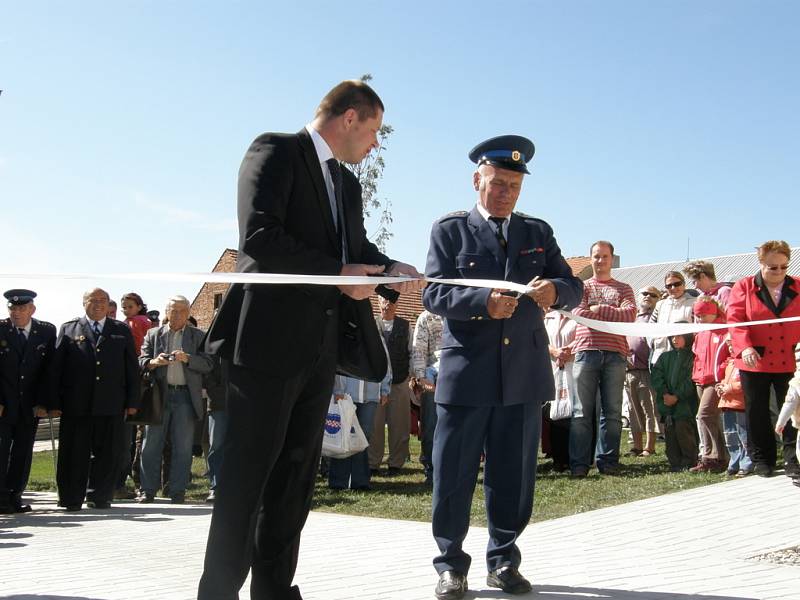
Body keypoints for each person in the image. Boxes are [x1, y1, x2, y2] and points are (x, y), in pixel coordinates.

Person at [197, 80, 424, 600]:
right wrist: (336, 273)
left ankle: (274, 591)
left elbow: (355, 248)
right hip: (264, 346)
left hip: (319, 352)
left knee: (295, 482)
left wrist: (391, 271)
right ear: (349, 118)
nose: (375, 145)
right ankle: (217, 593)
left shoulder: (346, 185)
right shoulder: (275, 150)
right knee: (245, 482)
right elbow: (259, 236)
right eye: (374, 132)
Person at [423, 135, 583, 600]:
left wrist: (556, 291)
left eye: (514, 185)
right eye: (498, 183)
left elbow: (572, 286)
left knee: (513, 477)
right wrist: (480, 304)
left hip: (523, 374)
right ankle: (451, 564)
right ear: (478, 179)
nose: (506, 192)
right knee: (452, 475)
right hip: (468, 373)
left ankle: (503, 560)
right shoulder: (450, 230)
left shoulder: (537, 232)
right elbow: (434, 292)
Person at [51, 288, 139, 511]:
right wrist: (53, 402)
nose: (99, 304)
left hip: (110, 403)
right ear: (84, 303)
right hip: (76, 404)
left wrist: (132, 402)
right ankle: (71, 497)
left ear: (109, 305)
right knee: (74, 453)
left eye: (103, 301)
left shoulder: (120, 330)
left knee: (108, 453)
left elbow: (131, 368)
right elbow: (56, 369)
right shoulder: (69, 329)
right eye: (94, 300)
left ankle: (100, 495)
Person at [727, 240, 800, 478]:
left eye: (783, 266)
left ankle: (793, 460)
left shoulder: (798, 286)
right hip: (754, 359)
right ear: (761, 263)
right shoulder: (744, 286)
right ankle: (763, 459)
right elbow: (735, 320)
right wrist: (745, 347)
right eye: (772, 267)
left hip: (789, 359)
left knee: (792, 411)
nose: (778, 272)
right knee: (757, 411)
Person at [570, 241, 636, 477]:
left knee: (612, 412)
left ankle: (608, 461)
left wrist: (598, 309)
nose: (600, 261)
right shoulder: (581, 286)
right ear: (591, 259)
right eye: (596, 256)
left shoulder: (625, 288)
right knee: (580, 412)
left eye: (605, 256)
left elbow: (629, 316)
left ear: (612, 258)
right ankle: (579, 464)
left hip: (616, 354)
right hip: (586, 350)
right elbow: (578, 313)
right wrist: (610, 312)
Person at [138, 295, 213, 504]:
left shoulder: (198, 336)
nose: (177, 314)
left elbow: (208, 364)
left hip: (185, 397)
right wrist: (154, 362)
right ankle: (148, 490)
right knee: (151, 444)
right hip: (158, 396)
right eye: (173, 310)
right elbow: (141, 361)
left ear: (189, 313)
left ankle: (178, 490)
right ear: (166, 312)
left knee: (183, 446)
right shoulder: (153, 334)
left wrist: (188, 359)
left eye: (181, 310)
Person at [0, 289, 56, 514]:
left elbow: (50, 371)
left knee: (23, 452)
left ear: (32, 309)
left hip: (30, 405)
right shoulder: (1, 329)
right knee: (1, 450)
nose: (16, 312)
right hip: (4, 403)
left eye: (22, 308)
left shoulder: (46, 331)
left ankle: (15, 495)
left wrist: (46, 403)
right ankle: (1, 497)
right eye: (12, 308)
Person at [368, 296, 413, 476]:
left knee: (400, 424)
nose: (387, 304)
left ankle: (396, 463)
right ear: (378, 302)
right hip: (375, 382)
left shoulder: (405, 325)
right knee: (375, 425)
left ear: (397, 304)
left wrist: (411, 377)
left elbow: (412, 351)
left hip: (400, 381)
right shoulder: (371, 324)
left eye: (391, 301)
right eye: (384, 301)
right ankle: (373, 463)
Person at [328, 369, 391, 491]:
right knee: (343, 436)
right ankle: (338, 482)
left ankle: (360, 482)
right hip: (346, 396)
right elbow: (340, 367)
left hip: (370, 397)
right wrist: (338, 390)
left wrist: (384, 390)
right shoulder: (346, 348)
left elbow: (385, 367)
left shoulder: (381, 348)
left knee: (363, 438)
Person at [689, 297, 728, 473]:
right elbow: (697, 357)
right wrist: (696, 376)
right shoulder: (700, 332)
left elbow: (730, 356)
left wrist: (721, 373)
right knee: (710, 418)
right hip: (701, 380)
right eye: (697, 315)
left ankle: (710, 457)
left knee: (703, 415)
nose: (700, 319)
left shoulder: (725, 331)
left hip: (716, 380)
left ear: (713, 312)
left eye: (703, 315)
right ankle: (720, 456)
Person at [651, 331, 698, 472]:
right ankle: (674, 462)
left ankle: (689, 460)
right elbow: (657, 375)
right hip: (667, 404)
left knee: (684, 430)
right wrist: (665, 393)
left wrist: (677, 396)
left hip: (685, 405)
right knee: (670, 432)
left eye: (679, 336)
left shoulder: (693, 358)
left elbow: (690, 380)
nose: (675, 339)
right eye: (672, 337)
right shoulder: (665, 357)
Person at [624, 286, 661, 457]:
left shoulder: (656, 317)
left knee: (649, 410)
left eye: (653, 295)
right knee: (633, 410)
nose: (648, 297)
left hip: (647, 370)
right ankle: (636, 446)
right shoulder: (630, 316)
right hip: (628, 370)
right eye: (644, 293)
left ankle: (649, 447)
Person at [411, 308, 444, 484]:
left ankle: (451, 468)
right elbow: (418, 350)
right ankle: (430, 469)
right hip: (432, 377)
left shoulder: (462, 312)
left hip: (458, 376)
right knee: (431, 426)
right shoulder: (427, 317)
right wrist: (422, 377)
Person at [543, 308, 576, 471]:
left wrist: (567, 351)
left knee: (575, 412)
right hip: (554, 367)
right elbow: (543, 339)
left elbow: (584, 336)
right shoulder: (549, 316)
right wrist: (556, 352)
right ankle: (558, 458)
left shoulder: (579, 314)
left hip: (575, 365)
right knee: (555, 412)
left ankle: (576, 456)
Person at [716, 335, 752, 476]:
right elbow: (726, 380)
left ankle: (747, 463)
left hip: (740, 405)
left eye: (733, 344)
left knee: (744, 436)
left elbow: (745, 383)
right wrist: (721, 387)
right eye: (729, 345)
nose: (731, 348)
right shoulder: (730, 363)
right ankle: (734, 462)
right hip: (727, 404)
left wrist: (729, 388)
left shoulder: (745, 361)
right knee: (730, 436)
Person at [649, 271, 697, 366]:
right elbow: (650, 327)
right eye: (669, 286)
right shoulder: (660, 305)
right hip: (659, 358)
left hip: (684, 360)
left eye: (677, 284)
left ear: (684, 284)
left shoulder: (694, 303)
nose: (673, 288)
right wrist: (653, 343)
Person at [776, 370, 800, 488]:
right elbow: (789, 404)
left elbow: (789, 405)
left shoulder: (796, 383)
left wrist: (781, 422)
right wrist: (782, 421)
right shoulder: (796, 383)